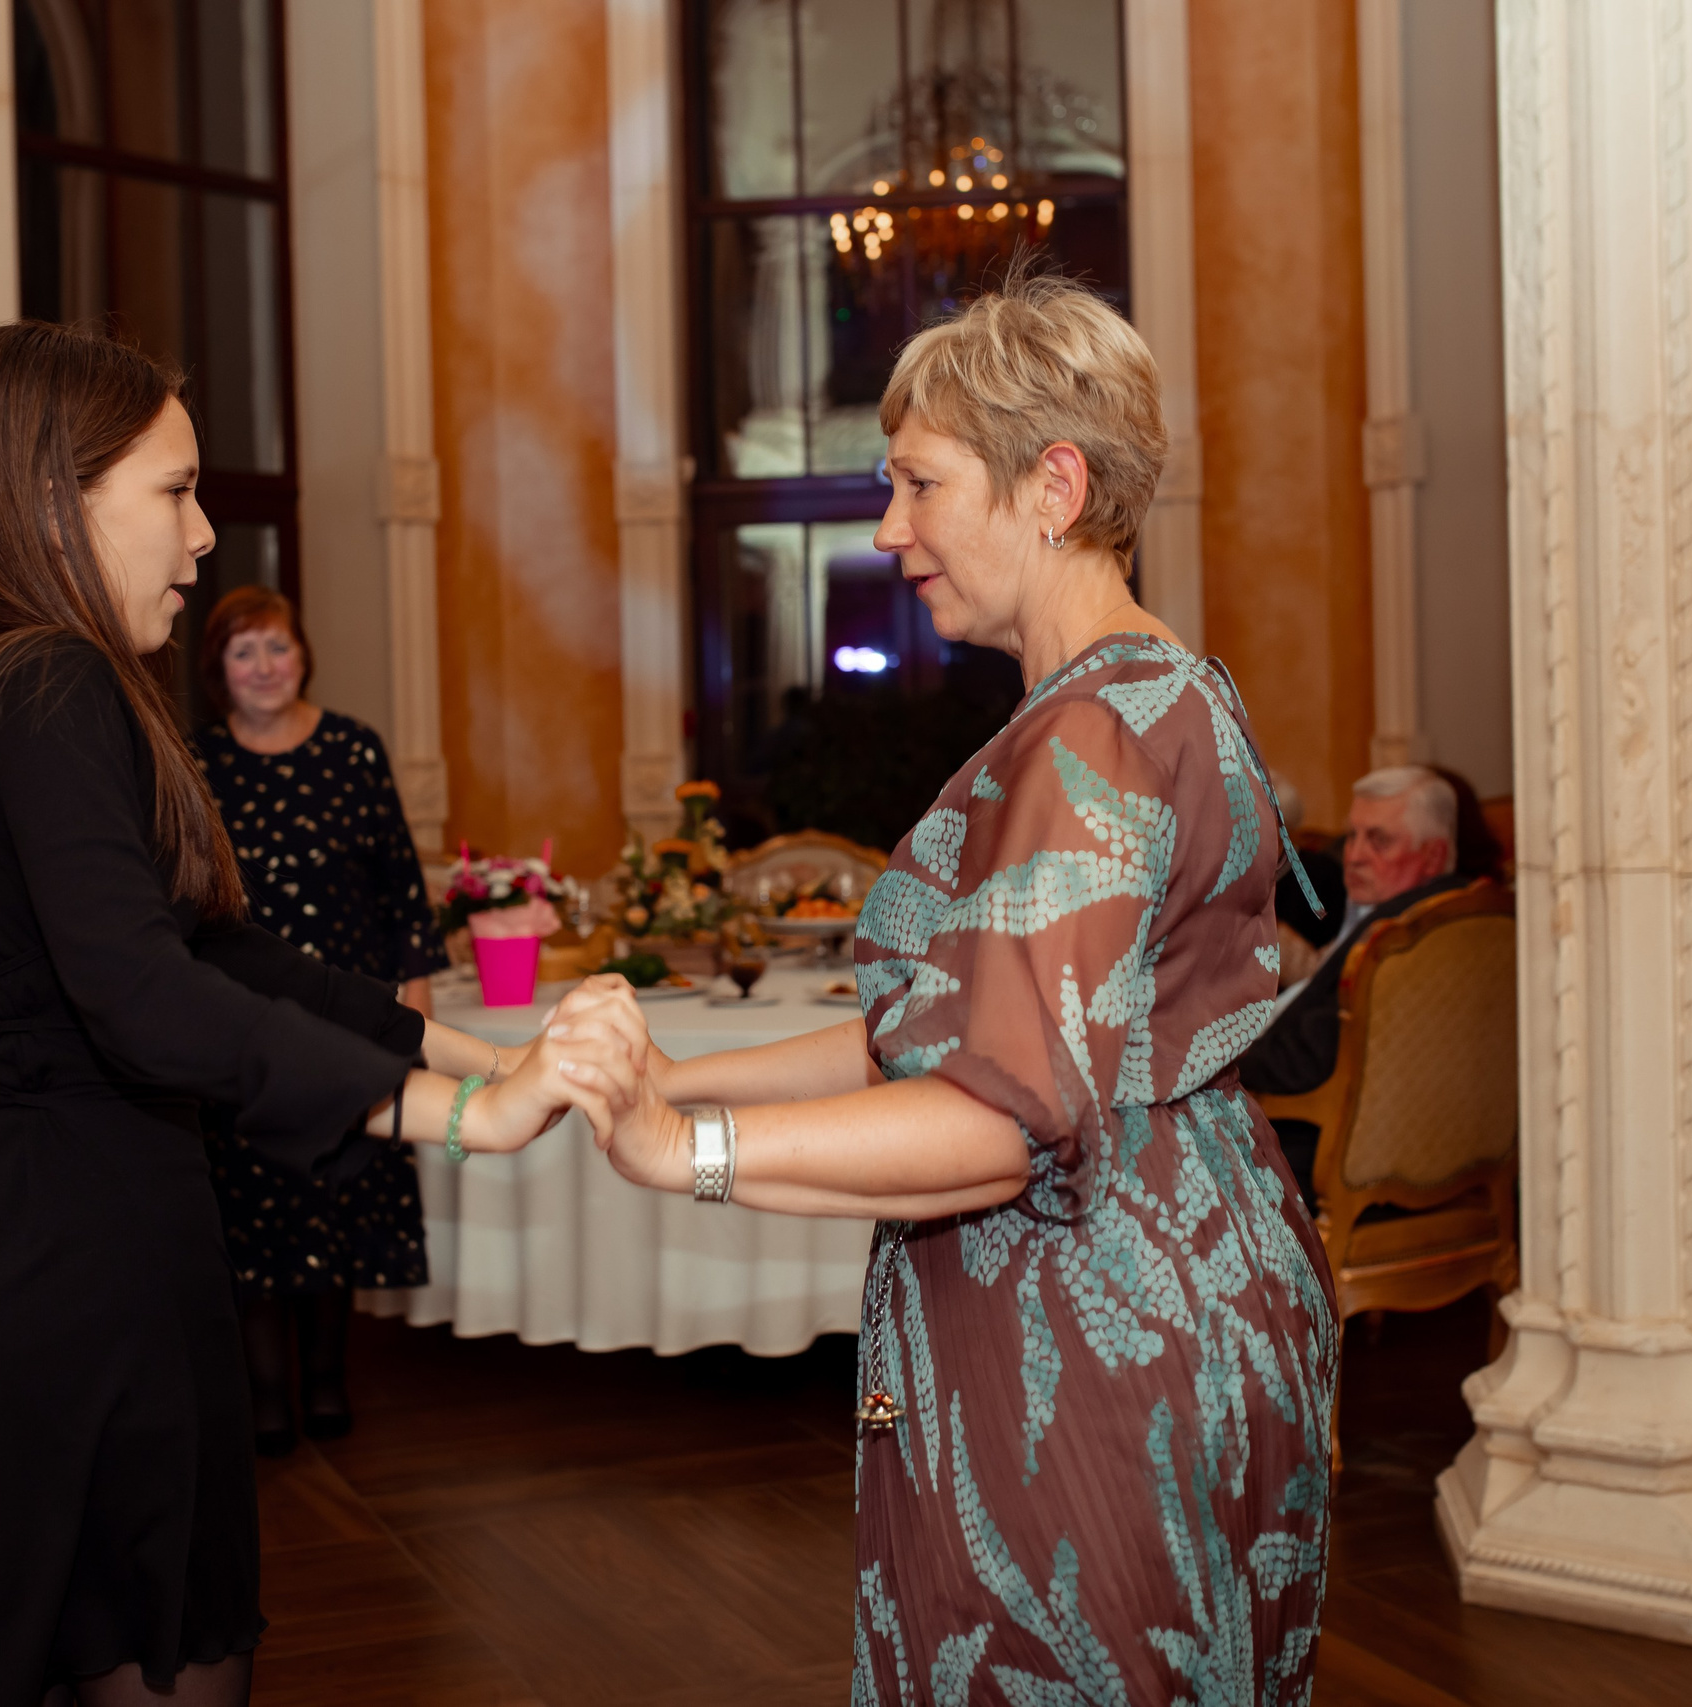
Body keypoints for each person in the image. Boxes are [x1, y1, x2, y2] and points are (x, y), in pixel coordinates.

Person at [0, 323, 645, 1707]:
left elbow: (229, 951)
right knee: (148, 1652)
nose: (203, 533)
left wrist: (484, 1053)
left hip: (27, 1242)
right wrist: (471, 1114)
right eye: (173, 491)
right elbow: (146, 997)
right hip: (64, 1260)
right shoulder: (47, 679)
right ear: (55, 499)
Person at [593, 276, 1338, 1704]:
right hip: (1209, 1263)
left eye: (920, 482)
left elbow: (999, 1114)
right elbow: (934, 1027)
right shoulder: (1178, 687)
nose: (890, 529)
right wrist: (677, 1073)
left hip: (1087, 1335)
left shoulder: (1084, 742)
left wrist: (684, 1150)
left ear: (1052, 483)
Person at [191, 587, 450, 1455]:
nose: (264, 665)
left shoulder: (352, 747)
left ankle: (329, 1381)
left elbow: (400, 885)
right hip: (243, 1022)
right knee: (255, 1204)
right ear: (218, 670)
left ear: (303, 653)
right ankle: (266, 1397)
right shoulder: (197, 764)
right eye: (243, 651)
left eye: (278, 646)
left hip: (348, 1013)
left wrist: (415, 996)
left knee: (336, 1191)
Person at [1236, 764, 1477, 1211]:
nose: (1354, 855)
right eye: (1352, 837)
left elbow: (1309, 1058)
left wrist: (1214, 1051)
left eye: (1379, 840)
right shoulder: (1459, 922)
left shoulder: (1405, 941)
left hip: (1334, 1156)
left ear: (1432, 855)